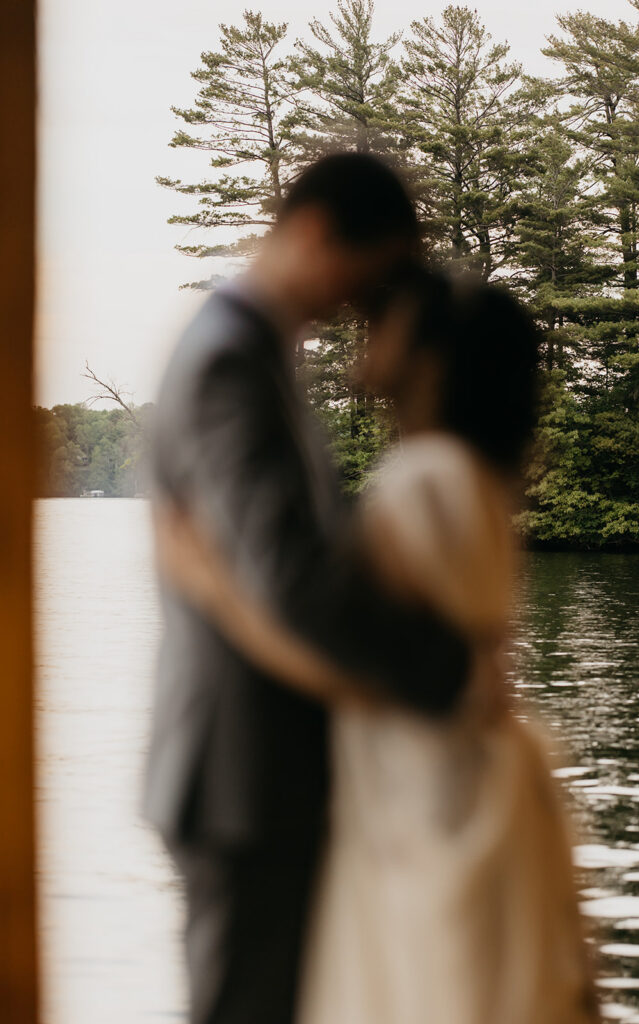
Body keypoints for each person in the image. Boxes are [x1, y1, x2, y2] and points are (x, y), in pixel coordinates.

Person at [156, 268, 601, 1024]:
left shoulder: (425, 482)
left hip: (421, 798)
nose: (366, 326)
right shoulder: (478, 482)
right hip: (452, 784)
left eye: (387, 318)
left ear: (431, 355)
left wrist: (213, 587)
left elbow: (354, 663)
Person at [143, 154, 472, 1024]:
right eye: (364, 279)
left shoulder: (253, 354)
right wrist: (447, 670)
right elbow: (290, 578)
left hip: (269, 776)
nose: (358, 308)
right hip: (243, 780)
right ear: (317, 232)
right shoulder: (226, 361)